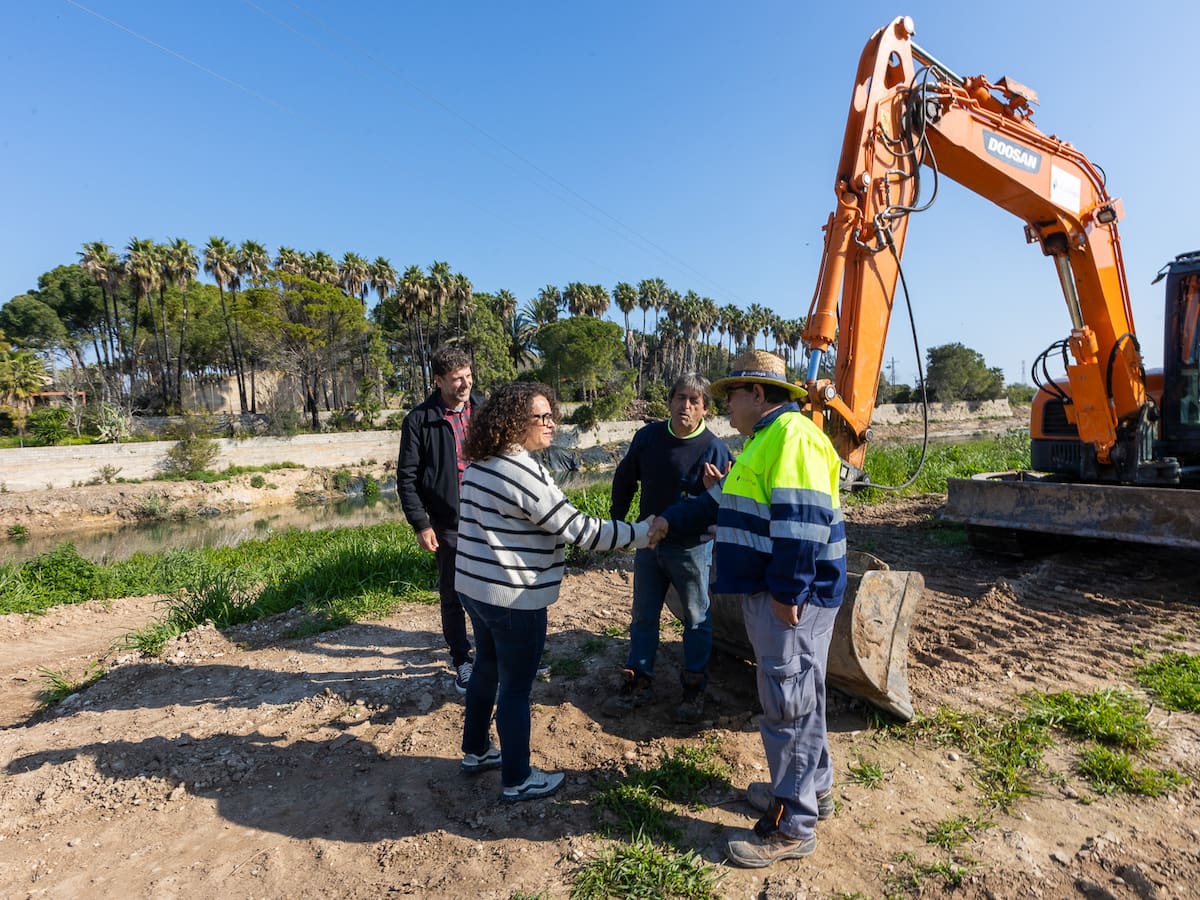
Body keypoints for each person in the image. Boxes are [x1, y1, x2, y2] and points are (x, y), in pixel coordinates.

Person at [650, 349, 846, 868]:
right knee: (802, 694)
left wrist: (787, 595)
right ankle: (815, 791)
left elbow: (802, 524)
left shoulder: (792, 437)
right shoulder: (763, 441)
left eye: (731, 395)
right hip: (776, 595)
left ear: (758, 394)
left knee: (787, 705)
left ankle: (794, 824)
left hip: (788, 600)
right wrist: (670, 520)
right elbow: (724, 503)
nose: (725, 407)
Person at [455, 382, 653, 803]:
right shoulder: (518, 470)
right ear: (513, 422)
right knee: (515, 688)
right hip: (513, 597)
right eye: (541, 417)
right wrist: (641, 532)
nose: (551, 424)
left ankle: (475, 751)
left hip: (475, 588)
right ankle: (517, 778)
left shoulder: (479, 464)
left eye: (551, 416)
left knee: (487, 668)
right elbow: (579, 530)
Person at [603, 373, 732, 723]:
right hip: (647, 544)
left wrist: (712, 491)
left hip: (691, 548)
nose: (685, 406)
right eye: (680, 398)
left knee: (695, 618)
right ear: (670, 401)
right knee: (644, 615)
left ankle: (694, 687)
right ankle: (638, 679)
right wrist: (617, 521)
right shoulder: (648, 438)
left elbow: (721, 502)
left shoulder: (715, 449)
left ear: (705, 408)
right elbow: (625, 478)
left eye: (694, 400)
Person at [397, 345, 484, 693]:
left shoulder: (483, 410)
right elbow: (406, 478)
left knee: (496, 589)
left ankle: (496, 652)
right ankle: (462, 661)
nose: (465, 384)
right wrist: (421, 523)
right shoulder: (420, 420)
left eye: (468, 376)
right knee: (453, 594)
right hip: (449, 524)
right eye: (456, 379)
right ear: (438, 380)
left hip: (489, 517)